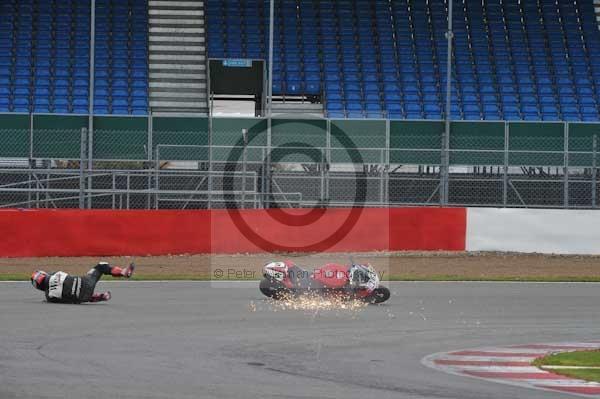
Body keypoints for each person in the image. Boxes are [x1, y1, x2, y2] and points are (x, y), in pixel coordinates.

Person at [30, 262, 135, 304]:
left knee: (73, 295)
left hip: (83, 297)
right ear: (44, 274)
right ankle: (123, 272)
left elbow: (66, 300)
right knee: (101, 266)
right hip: (87, 282)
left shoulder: (49, 297)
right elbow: (70, 280)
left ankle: (99, 296)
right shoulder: (57, 273)